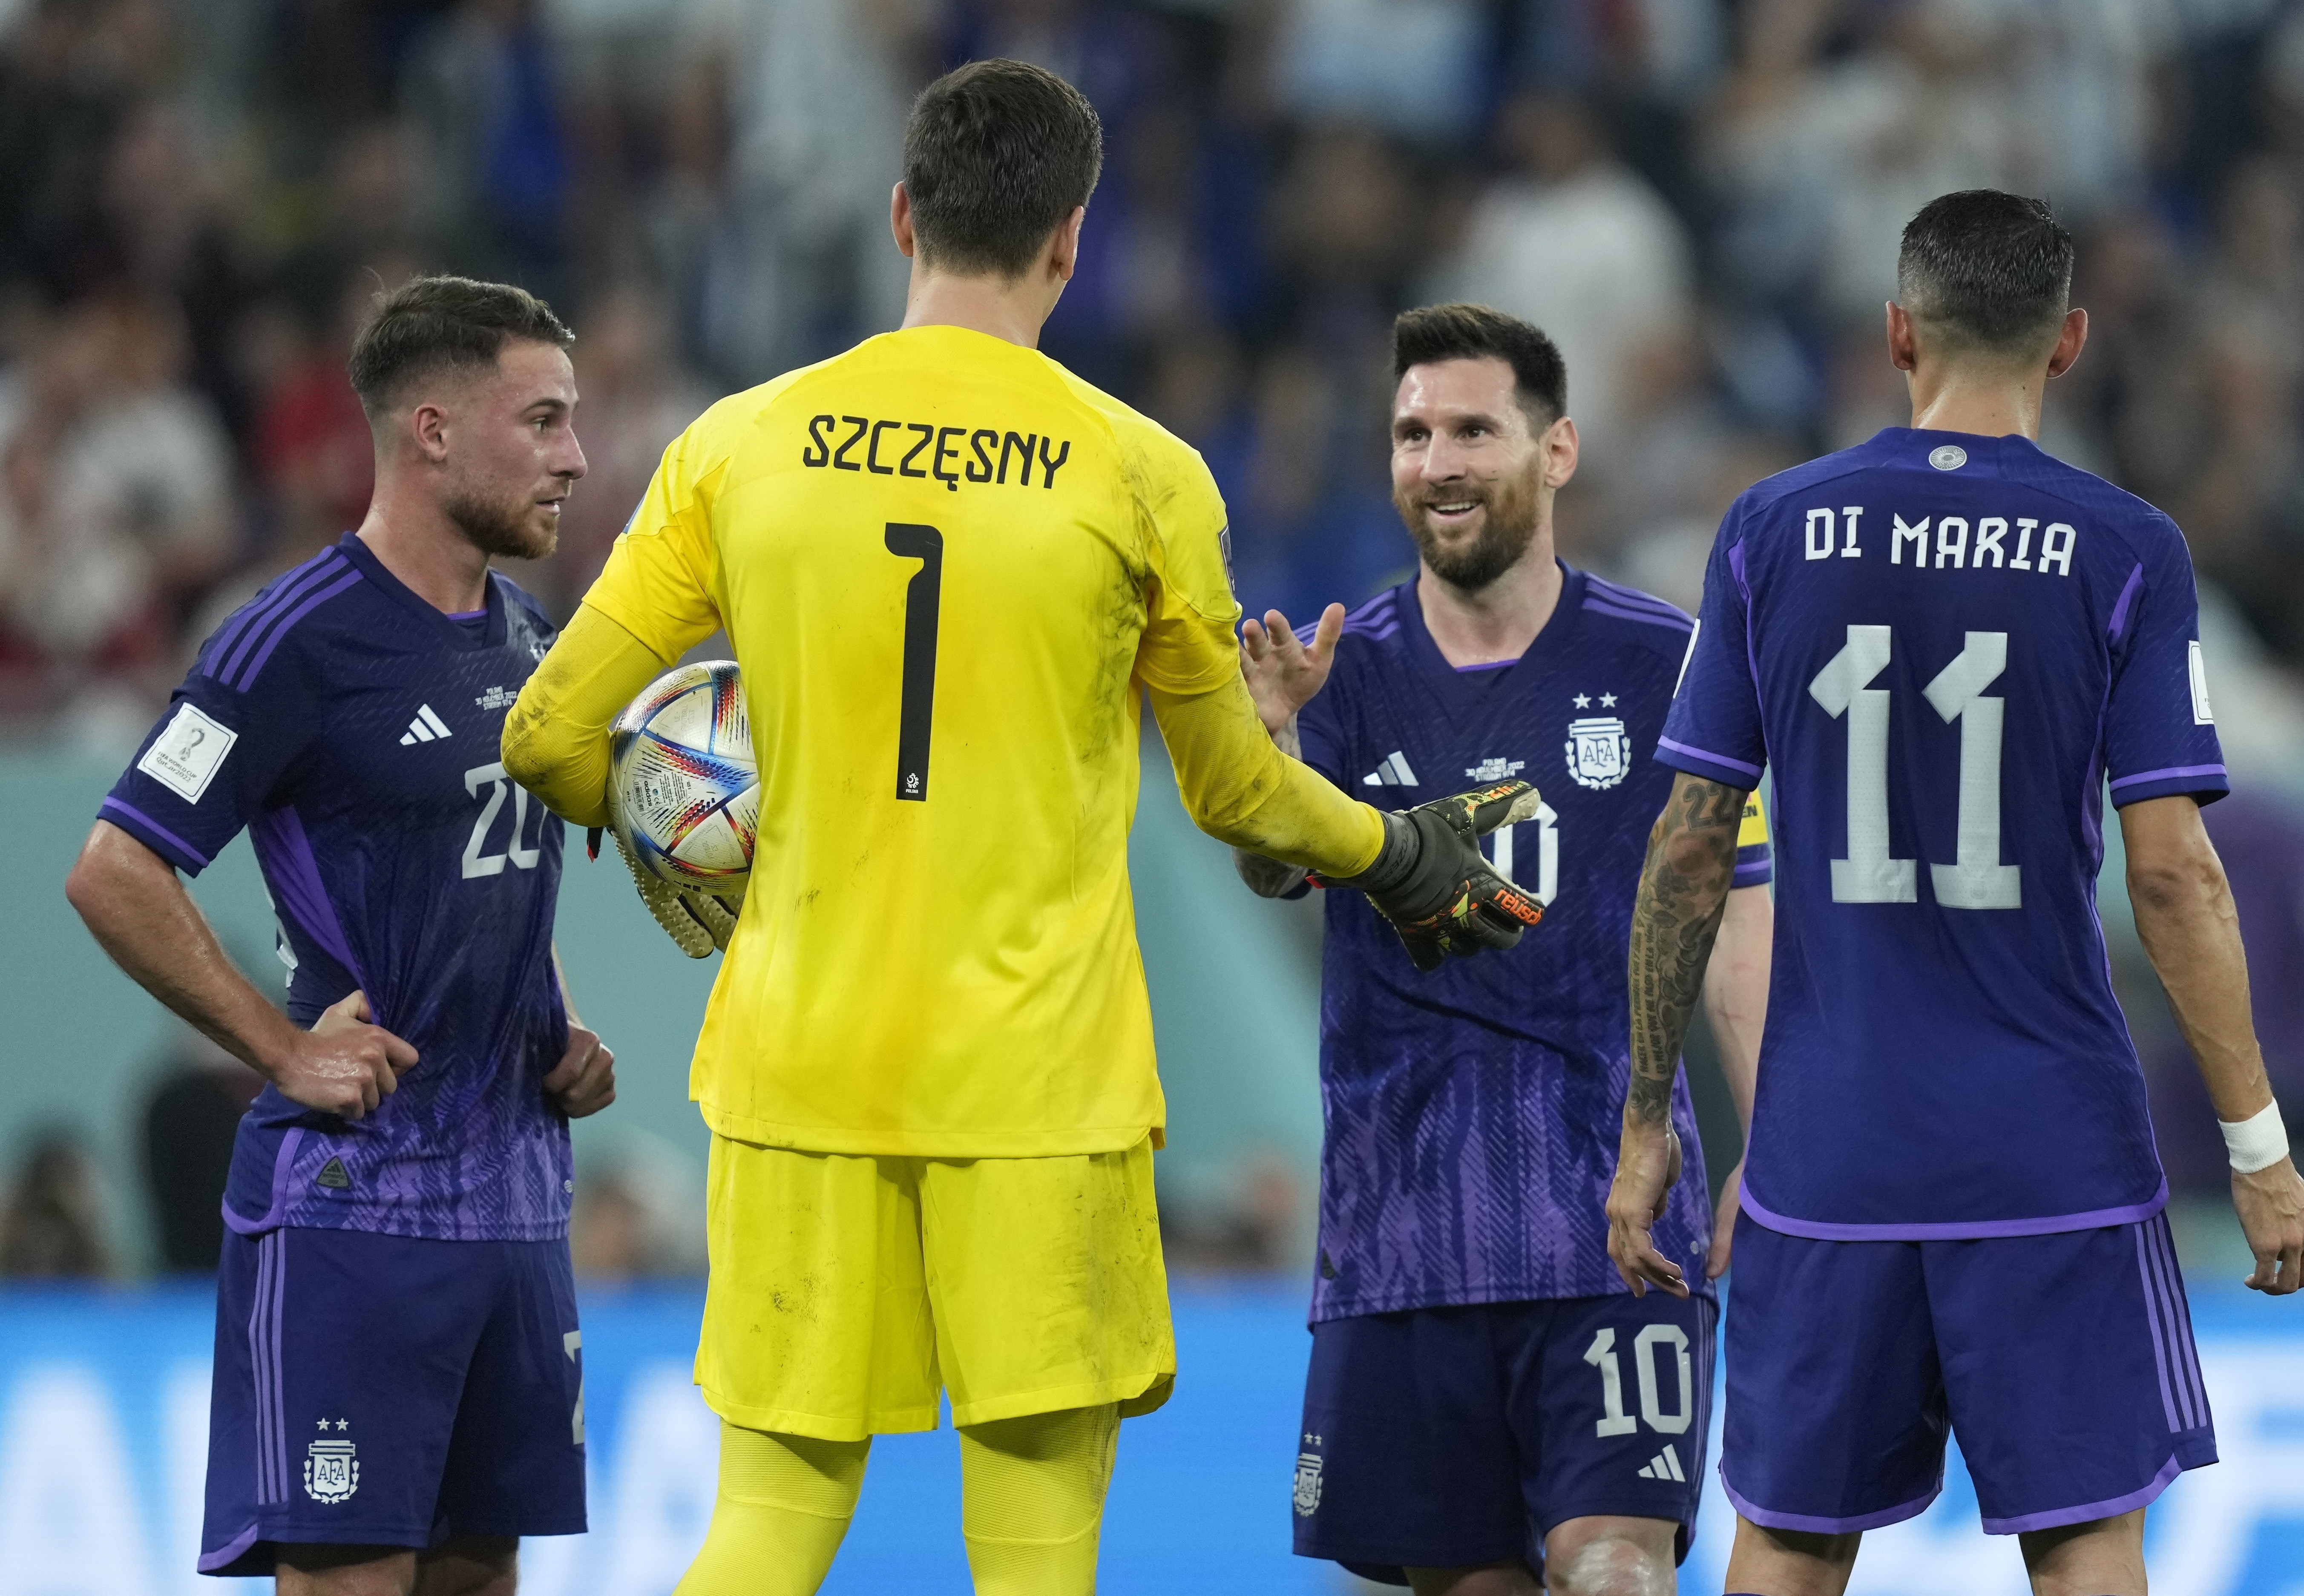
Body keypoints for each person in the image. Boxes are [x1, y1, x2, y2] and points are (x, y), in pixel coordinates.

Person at [498, 58, 1543, 1596]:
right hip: (1042, 1082)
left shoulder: (743, 443)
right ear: (1071, 241)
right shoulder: (1141, 471)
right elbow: (1237, 792)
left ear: (903, 214)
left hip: (800, 1059)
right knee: (1036, 1559)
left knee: (770, 1526)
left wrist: (678, 835)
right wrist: (1401, 854)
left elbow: (546, 732)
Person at [1605, 191, 2304, 1596]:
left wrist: (1655, 1115)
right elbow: (2175, 874)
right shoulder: (2129, 550)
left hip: (1831, 1152)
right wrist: (2260, 1152)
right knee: (2085, 1545)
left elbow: (1691, 845)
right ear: (2068, 343)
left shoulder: (1770, 529)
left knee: (1789, 1548)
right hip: (2049, 1151)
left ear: (1897, 333)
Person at [63, 275, 618, 1595]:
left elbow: (484, 882)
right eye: (540, 421)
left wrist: (560, 1020)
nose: (576, 457)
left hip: (517, 1215)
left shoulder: (531, 638)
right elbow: (114, 866)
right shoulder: (287, 642)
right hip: (355, 1218)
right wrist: (279, 1046)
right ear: (431, 431)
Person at [1232, 304, 1773, 1596]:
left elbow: (1742, 905)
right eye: (1414, 433)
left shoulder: (1670, 663)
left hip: (1613, 1216)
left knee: (1614, 1570)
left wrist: (1775, 1129)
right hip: (1402, 1231)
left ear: (1559, 449)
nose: (1438, 460)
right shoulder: (1338, 674)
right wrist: (1270, 758)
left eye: (1474, 427)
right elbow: (1273, 873)